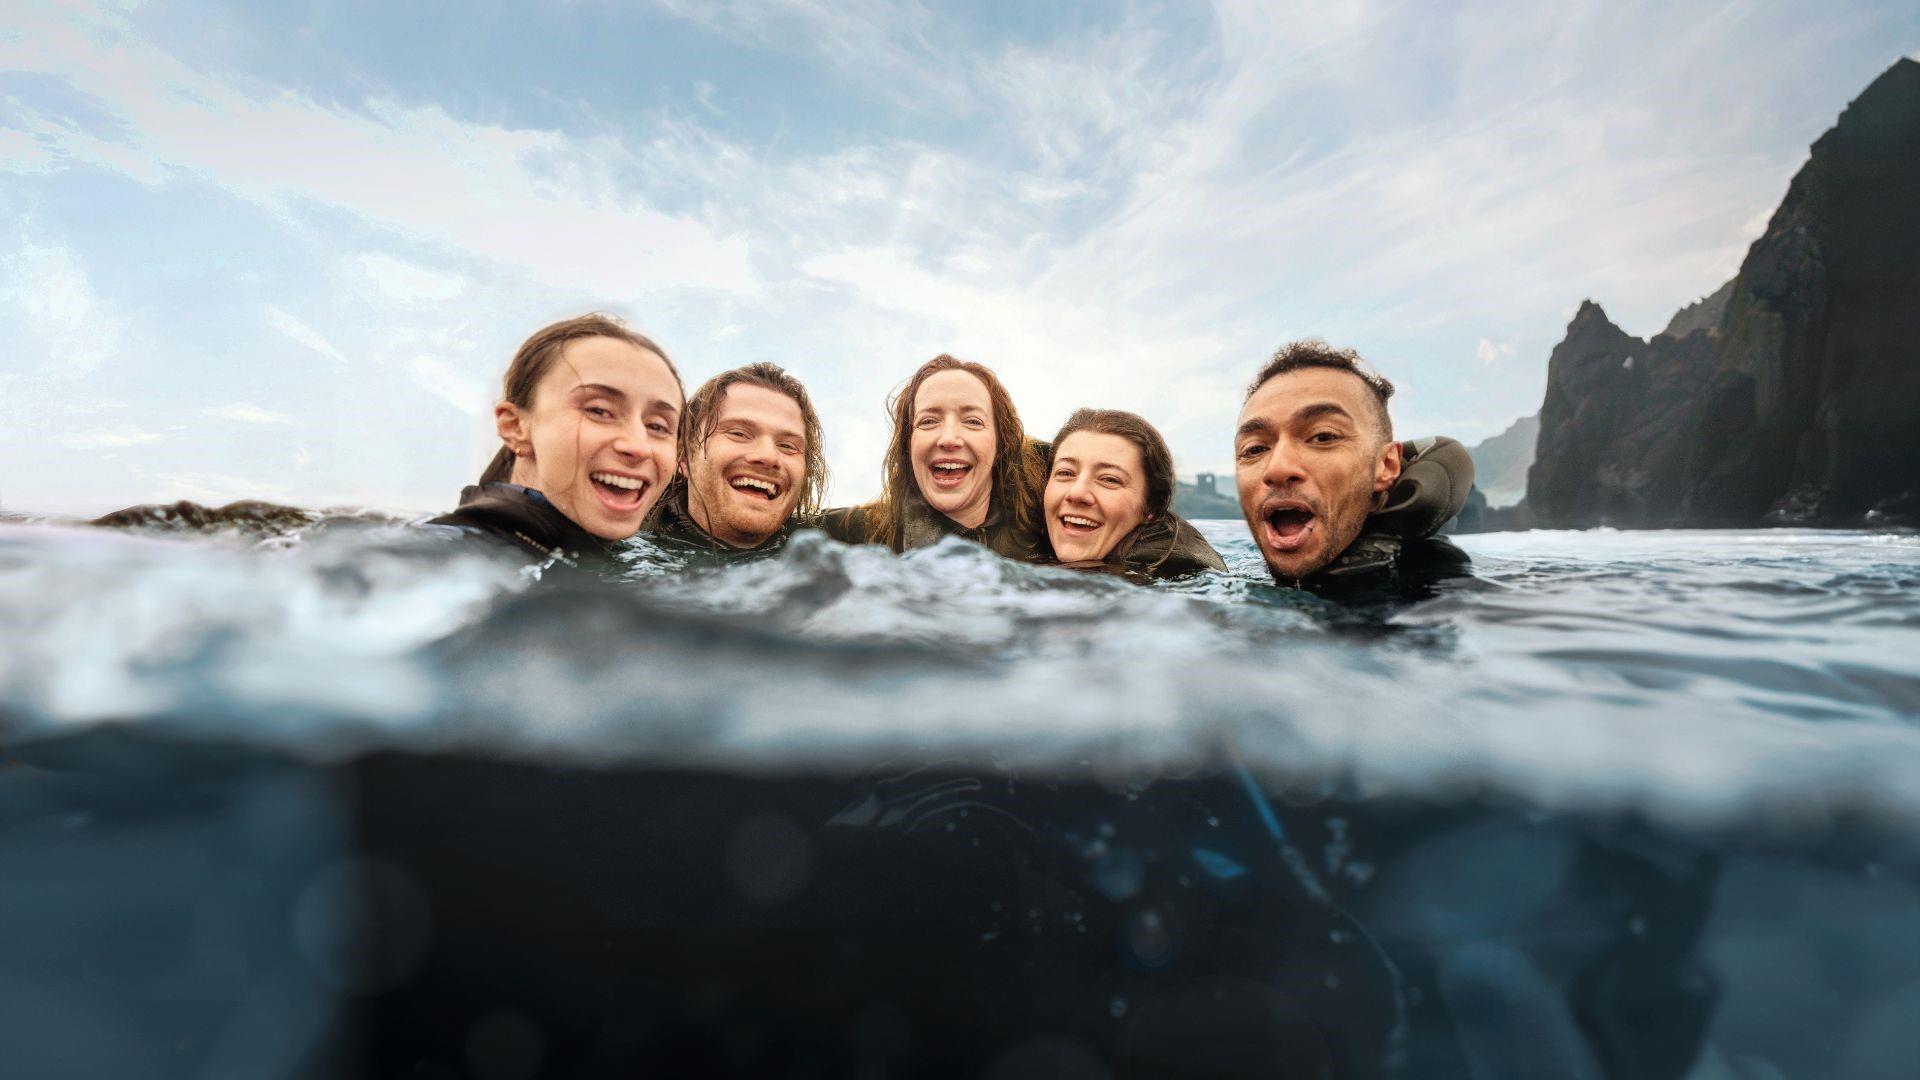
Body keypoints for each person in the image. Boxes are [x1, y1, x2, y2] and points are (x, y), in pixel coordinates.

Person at [431, 314, 683, 567]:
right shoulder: (440, 558)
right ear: (515, 426)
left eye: (657, 426)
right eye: (598, 411)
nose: (639, 447)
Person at [1235, 339, 1472, 595]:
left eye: (1324, 436)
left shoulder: (1445, 592)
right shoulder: (1231, 579)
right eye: (1254, 449)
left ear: (1387, 465)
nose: (1277, 469)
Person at [820, 354, 1046, 562]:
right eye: (928, 421)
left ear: (1000, 447)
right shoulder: (848, 536)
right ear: (908, 447)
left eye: (973, 421)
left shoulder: (1049, 530)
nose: (948, 438)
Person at [643, 363, 826, 559]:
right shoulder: (621, 543)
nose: (768, 456)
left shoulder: (830, 548)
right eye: (739, 433)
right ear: (684, 456)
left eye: (787, 446)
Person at [1043, 408, 1226, 579]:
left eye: (1109, 479)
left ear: (1151, 507)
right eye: (1065, 473)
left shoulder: (1176, 577)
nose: (1077, 493)